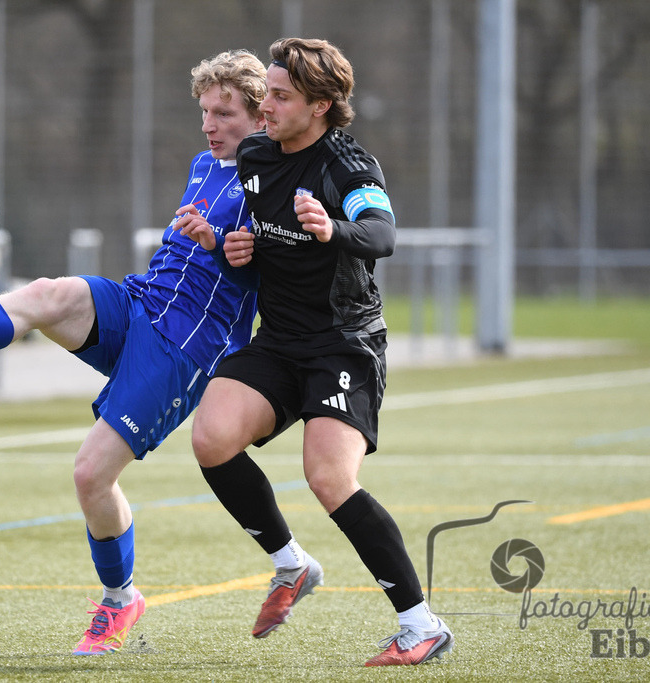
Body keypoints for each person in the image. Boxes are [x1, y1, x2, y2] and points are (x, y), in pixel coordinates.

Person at [0, 50, 267, 655]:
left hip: (186, 348)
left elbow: (277, 265)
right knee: (49, 293)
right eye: (204, 111)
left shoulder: (276, 179)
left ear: (261, 114)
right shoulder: (203, 163)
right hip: (140, 302)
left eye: (224, 112)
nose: (209, 124)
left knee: (90, 476)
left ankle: (119, 598)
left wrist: (221, 243)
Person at [178, 38, 454, 667]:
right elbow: (259, 236)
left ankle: (421, 625)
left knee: (328, 477)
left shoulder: (347, 167)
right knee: (211, 437)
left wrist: (335, 230)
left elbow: (382, 234)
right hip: (277, 341)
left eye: (279, 97)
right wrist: (229, 244)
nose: (264, 106)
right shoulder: (255, 156)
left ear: (321, 106)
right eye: (267, 94)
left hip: (343, 345)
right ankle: (291, 563)